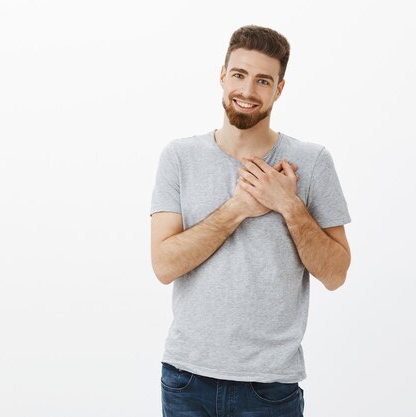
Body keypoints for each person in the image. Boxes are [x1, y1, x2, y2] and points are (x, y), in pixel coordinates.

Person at [149, 25, 351, 417]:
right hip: (186, 378)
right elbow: (164, 265)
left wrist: (288, 205)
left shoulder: (311, 162)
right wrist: (239, 207)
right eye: (239, 75)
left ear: (279, 89)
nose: (247, 91)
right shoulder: (179, 158)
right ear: (222, 75)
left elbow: (336, 274)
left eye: (263, 80)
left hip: (270, 387)